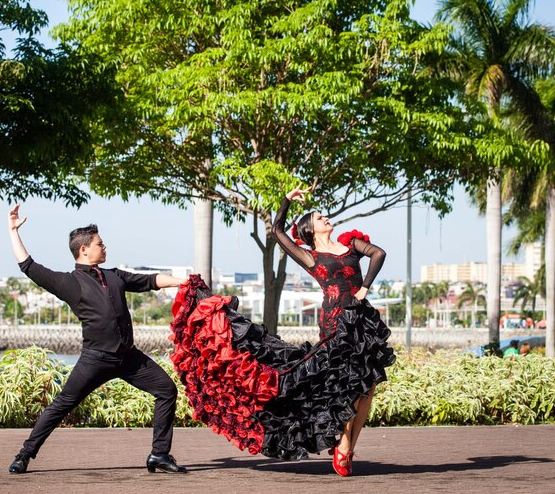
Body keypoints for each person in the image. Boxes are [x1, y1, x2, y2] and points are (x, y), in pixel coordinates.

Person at [169, 185, 395, 477]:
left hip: (363, 320)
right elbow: (277, 231)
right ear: (310, 229)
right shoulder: (310, 257)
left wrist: (365, 288)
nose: (326, 218)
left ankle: (348, 448)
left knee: (368, 387)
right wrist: (287, 200)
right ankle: (342, 446)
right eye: (319, 217)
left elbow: (379, 253)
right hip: (337, 321)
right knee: (348, 386)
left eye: (324, 216)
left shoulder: (350, 244)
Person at [6, 204, 188, 475]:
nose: (105, 247)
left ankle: (159, 455)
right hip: (95, 359)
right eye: (100, 244)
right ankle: (24, 454)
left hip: (129, 358)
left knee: (166, 390)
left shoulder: (115, 276)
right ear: (84, 250)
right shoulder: (70, 283)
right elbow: (29, 267)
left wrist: (183, 282)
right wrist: (13, 231)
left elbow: (150, 280)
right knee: (62, 405)